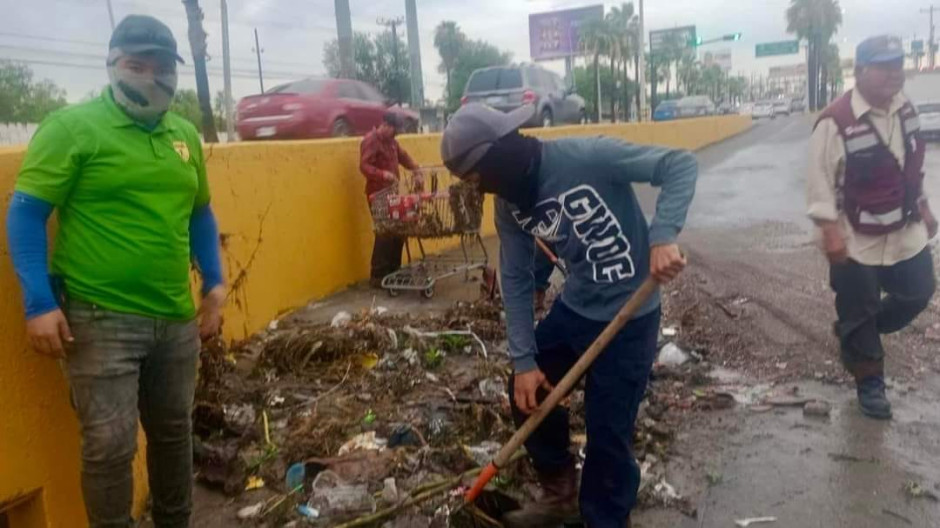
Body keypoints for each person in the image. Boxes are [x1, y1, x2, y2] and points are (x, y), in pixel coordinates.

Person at [5, 15, 224, 527]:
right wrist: (38, 301)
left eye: (162, 66)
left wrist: (214, 283)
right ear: (112, 65)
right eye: (136, 64)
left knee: (174, 433)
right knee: (109, 445)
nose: (151, 76)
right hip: (99, 319)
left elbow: (199, 212)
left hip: (174, 319)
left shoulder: (185, 134)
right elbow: (26, 212)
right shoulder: (71, 129)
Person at [441, 103, 697, 527]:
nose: (484, 190)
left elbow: (679, 165)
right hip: (576, 311)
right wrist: (524, 362)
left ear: (498, 156)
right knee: (527, 392)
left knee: (608, 435)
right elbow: (518, 280)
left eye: (478, 179)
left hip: (631, 319)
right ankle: (559, 490)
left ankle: (605, 520)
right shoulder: (509, 204)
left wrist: (663, 234)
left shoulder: (587, 157)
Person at [808, 35, 936, 420]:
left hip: (903, 229)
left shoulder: (905, 109)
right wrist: (829, 231)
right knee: (858, 306)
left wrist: (924, 206)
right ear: (860, 70)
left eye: (898, 65)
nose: (894, 73)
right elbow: (819, 182)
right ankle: (870, 383)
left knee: (919, 291)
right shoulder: (836, 120)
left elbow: (912, 164)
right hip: (853, 238)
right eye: (884, 66)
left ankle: (855, 332)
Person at [360, 112, 421, 287]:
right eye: (394, 131)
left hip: (392, 194)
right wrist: (382, 174)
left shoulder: (392, 142)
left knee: (398, 230)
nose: (396, 135)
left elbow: (404, 156)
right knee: (384, 232)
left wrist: (416, 169)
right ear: (385, 125)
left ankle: (394, 270)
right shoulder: (371, 141)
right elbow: (364, 166)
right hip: (377, 194)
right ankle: (378, 274)